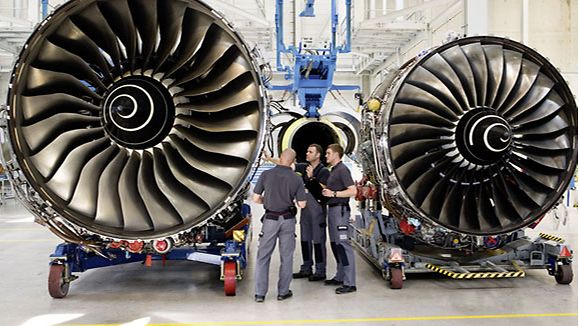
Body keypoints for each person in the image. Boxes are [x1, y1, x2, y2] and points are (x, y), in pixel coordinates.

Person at [253, 148, 307, 302]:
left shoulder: (266, 175)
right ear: (293, 161)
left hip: (270, 219)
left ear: (281, 157)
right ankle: (283, 292)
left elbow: (256, 199)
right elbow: (302, 204)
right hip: (288, 220)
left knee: (263, 257)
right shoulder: (296, 179)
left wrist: (268, 200)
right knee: (287, 257)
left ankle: (260, 294)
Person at [321, 143, 358, 294]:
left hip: (340, 212)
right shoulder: (334, 170)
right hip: (333, 211)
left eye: (328, 153)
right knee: (336, 245)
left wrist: (334, 194)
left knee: (343, 245)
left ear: (336, 154)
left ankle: (350, 283)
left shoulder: (343, 170)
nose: (326, 155)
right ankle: (340, 276)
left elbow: (352, 191)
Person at [292, 144, 330, 281]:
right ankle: (306, 267)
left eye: (310, 152)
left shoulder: (324, 171)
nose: (307, 153)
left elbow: (323, 193)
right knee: (305, 239)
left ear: (318, 155)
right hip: (305, 210)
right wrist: (270, 158)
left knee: (318, 240)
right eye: (307, 151)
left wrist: (312, 178)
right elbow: (286, 163)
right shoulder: (304, 167)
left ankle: (320, 270)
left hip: (317, 209)